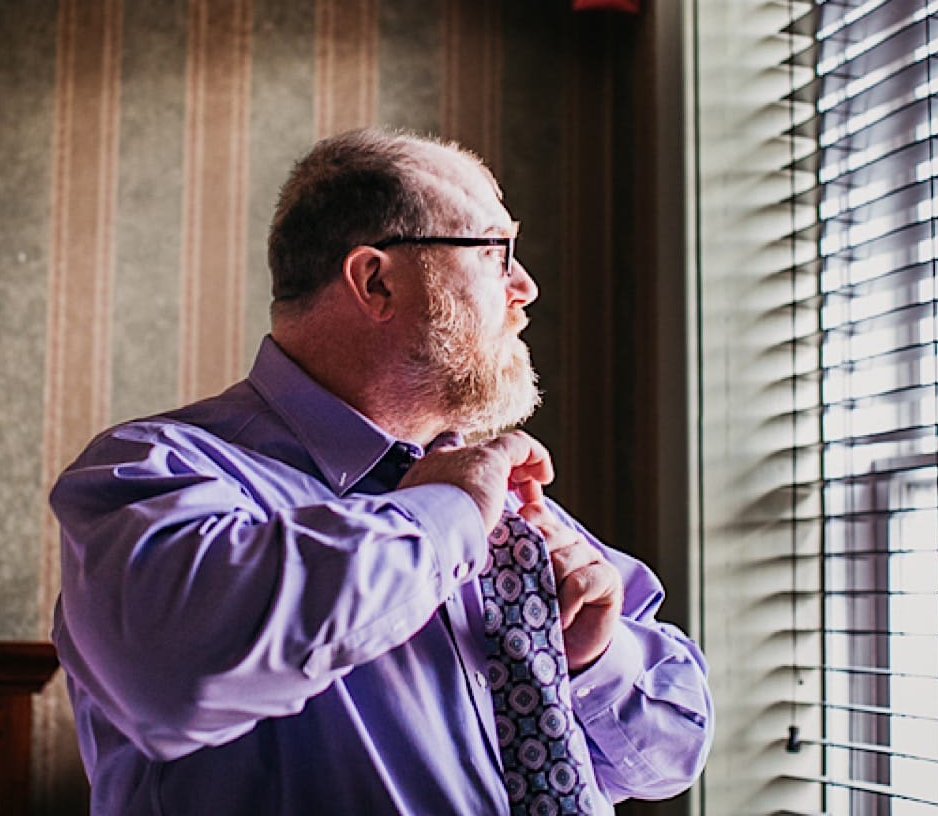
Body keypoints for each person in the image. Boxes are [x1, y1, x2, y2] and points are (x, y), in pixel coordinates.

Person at [50, 128, 714, 815]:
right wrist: (449, 512)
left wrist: (593, 659)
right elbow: (175, 673)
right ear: (376, 281)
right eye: (495, 253)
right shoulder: (156, 471)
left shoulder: (506, 506)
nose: (526, 286)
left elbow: (677, 750)